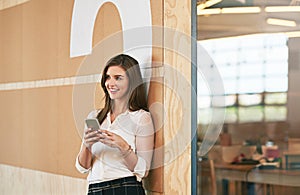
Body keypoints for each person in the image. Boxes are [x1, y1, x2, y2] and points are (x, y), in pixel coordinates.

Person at [75, 54, 155, 195]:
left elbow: (143, 170)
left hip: (125, 187)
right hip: (95, 189)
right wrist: (87, 145)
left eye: (118, 78)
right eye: (108, 77)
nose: (110, 83)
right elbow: (83, 167)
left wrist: (122, 145)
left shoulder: (142, 118)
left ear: (132, 82)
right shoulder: (95, 117)